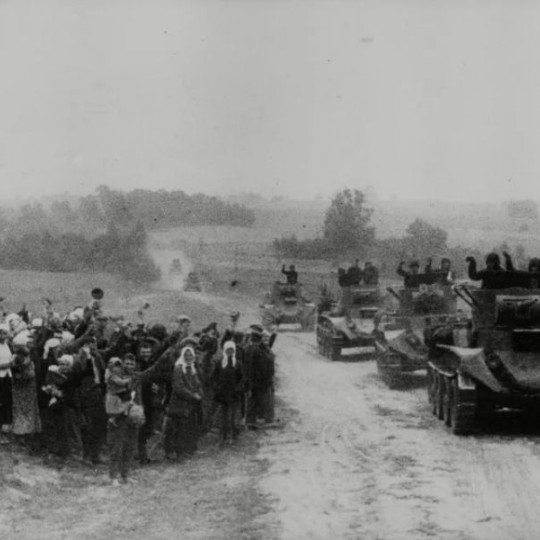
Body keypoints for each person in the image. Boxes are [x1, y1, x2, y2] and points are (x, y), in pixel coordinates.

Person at [163, 346, 203, 462]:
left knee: (185, 428)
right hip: (178, 403)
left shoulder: (192, 368)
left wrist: (200, 393)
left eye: (190, 355)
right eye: (186, 355)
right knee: (175, 428)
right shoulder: (178, 368)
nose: (188, 357)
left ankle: (183, 451)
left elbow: (198, 384)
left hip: (189, 404)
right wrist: (193, 395)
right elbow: (178, 387)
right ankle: (173, 452)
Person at [105, 355, 140, 485]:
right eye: (127, 363)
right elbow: (111, 399)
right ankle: (113, 476)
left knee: (129, 446)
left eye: (132, 363)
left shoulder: (135, 378)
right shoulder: (115, 377)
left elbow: (138, 395)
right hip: (118, 414)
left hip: (132, 413)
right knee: (116, 446)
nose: (129, 366)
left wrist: (138, 410)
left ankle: (125, 475)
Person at [10, 333, 42, 452]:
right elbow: (17, 371)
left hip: (29, 387)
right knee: (21, 410)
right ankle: (21, 434)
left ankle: (28, 432)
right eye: (28, 344)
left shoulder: (30, 356)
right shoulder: (17, 357)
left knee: (28, 410)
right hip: (21, 387)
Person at [211, 341, 245, 444]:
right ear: (224, 350)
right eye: (228, 350)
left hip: (234, 394)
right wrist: (217, 388)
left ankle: (233, 436)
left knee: (233, 416)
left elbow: (242, 378)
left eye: (231, 350)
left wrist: (238, 389)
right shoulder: (219, 362)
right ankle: (223, 436)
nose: (230, 352)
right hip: (222, 394)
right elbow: (213, 377)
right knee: (223, 416)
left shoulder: (237, 363)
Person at [0, 324, 13, 445]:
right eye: (4, 334)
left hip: (7, 376)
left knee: (6, 403)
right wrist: (5, 365)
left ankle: (4, 430)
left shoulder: (7, 345)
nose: (6, 336)